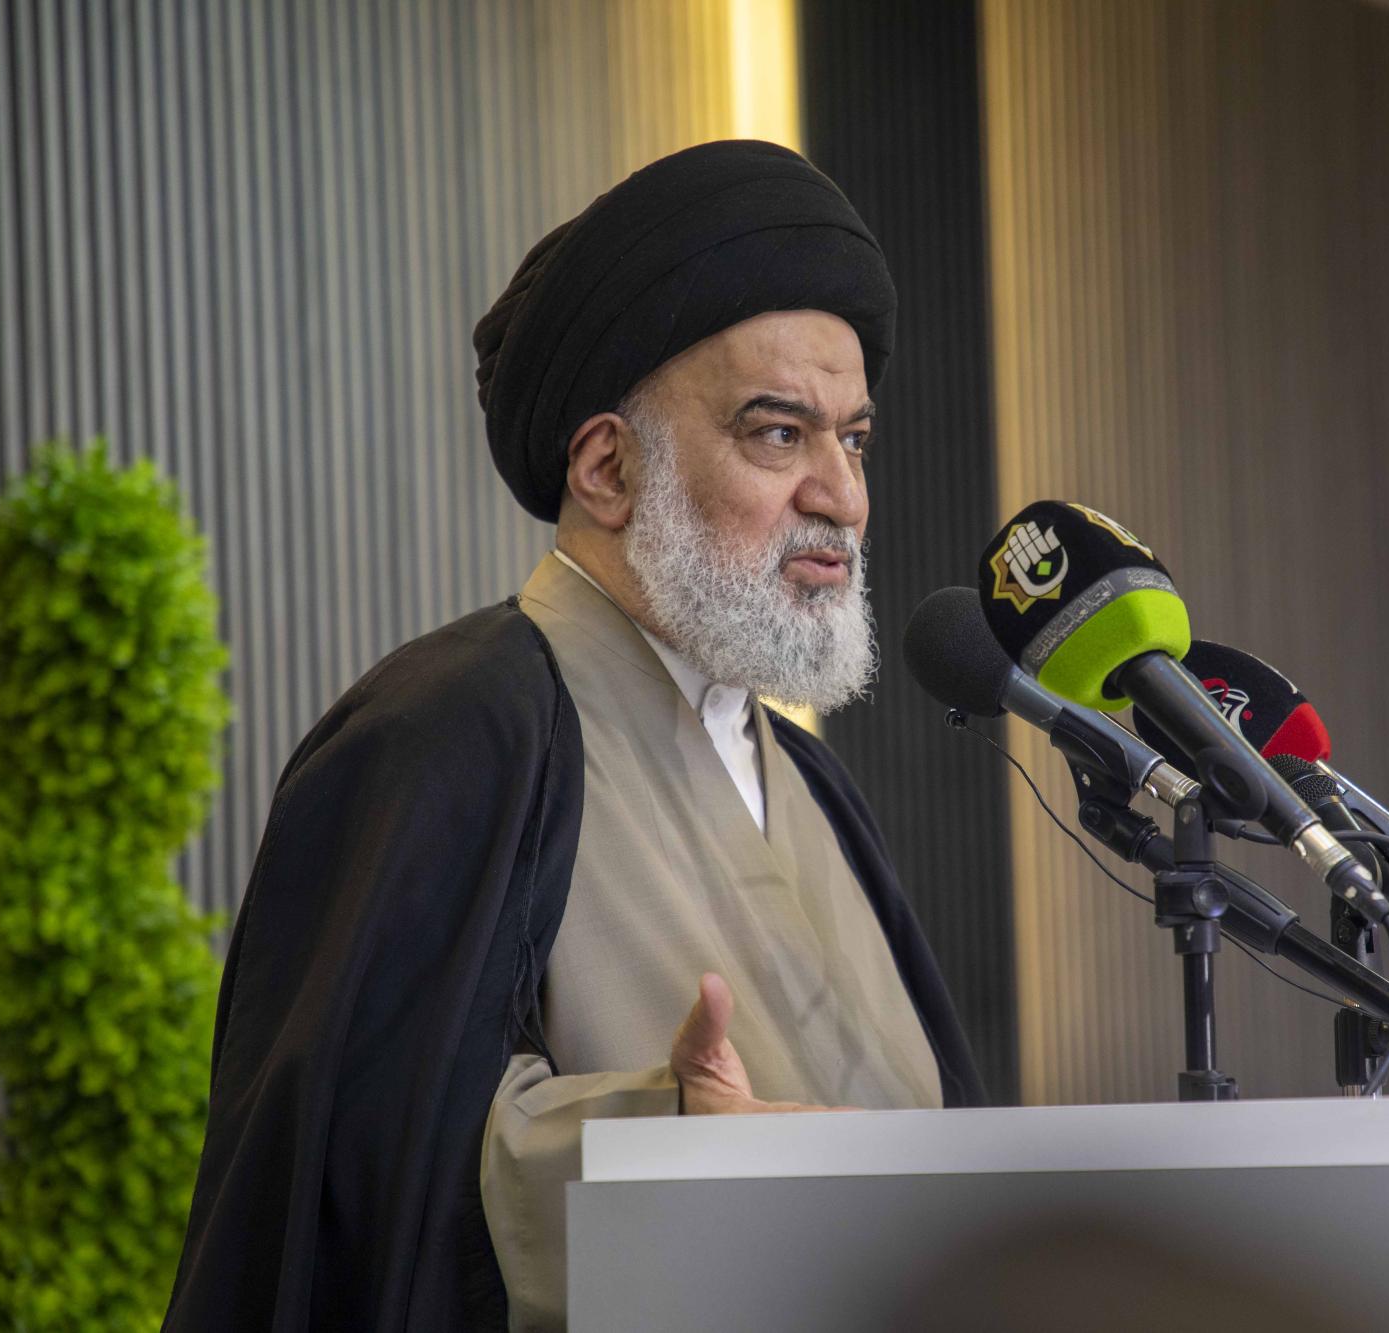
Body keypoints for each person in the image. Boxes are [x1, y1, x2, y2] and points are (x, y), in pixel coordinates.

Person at [162, 140, 983, 1333]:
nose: (842, 497)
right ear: (606, 467)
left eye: (851, 439)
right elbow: (344, 1184)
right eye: (777, 433)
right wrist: (666, 1147)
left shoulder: (806, 776)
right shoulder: (449, 728)